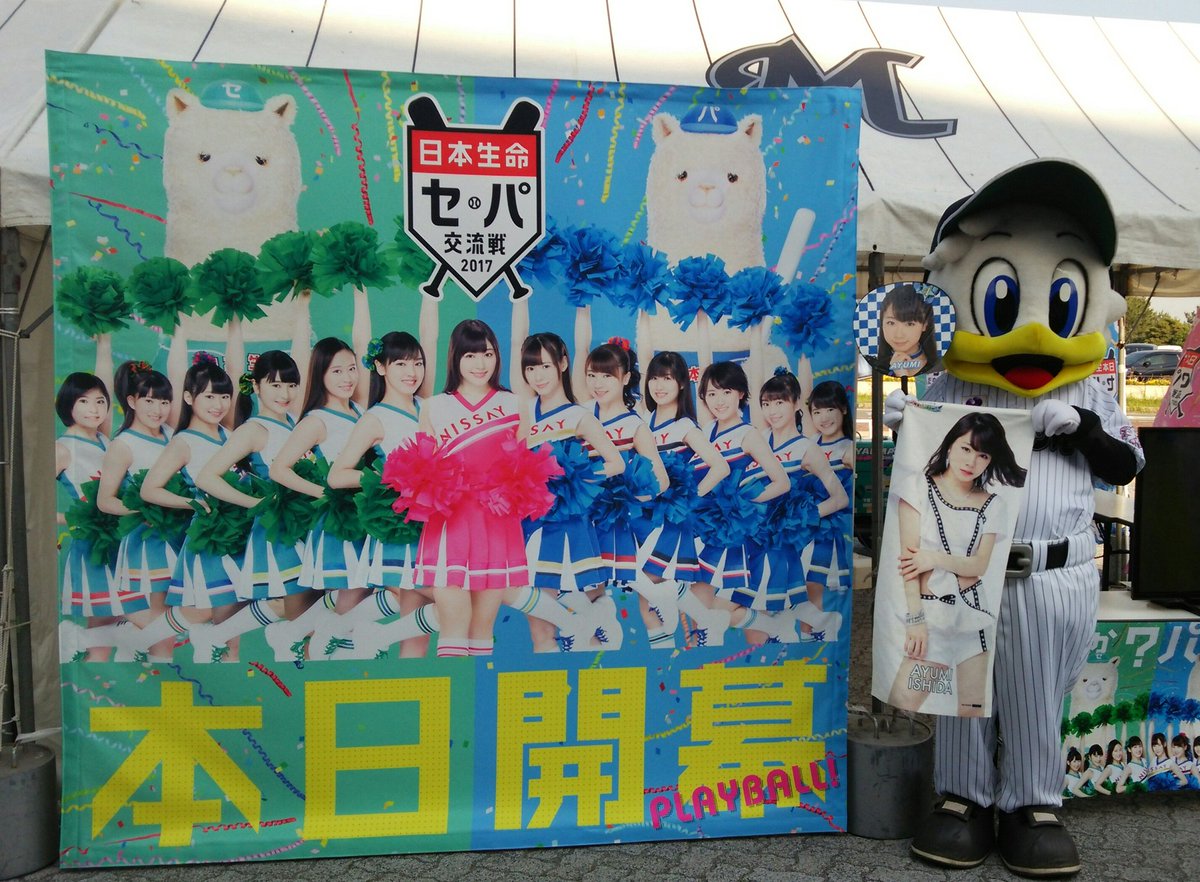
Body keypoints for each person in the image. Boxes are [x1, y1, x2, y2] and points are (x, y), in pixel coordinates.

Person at [889, 411, 1027, 716]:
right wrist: (915, 620)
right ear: (950, 444)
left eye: (983, 455)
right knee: (903, 703)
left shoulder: (993, 504)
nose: (971, 462)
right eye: (966, 448)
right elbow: (908, 563)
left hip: (972, 616)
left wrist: (933, 558)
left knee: (971, 710)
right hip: (930, 614)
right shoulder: (917, 487)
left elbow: (979, 565)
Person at [411, 319, 535, 658]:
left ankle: (480, 691)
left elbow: (524, 469)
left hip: (496, 524)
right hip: (450, 523)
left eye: (488, 354)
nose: (480, 364)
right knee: (453, 622)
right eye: (470, 355)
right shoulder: (434, 406)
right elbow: (424, 470)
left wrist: (505, 490)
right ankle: (450, 692)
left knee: (482, 629)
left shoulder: (514, 404)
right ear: (455, 357)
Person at [191, 350, 305, 663]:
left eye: (291, 385)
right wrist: (256, 502)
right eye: (275, 385)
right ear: (255, 387)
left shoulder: (295, 422)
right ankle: (217, 636)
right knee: (292, 604)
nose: (285, 393)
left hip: (300, 524)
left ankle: (224, 637)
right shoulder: (253, 430)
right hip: (276, 531)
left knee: (306, 606)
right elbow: (206, 477)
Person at [265, 337, 369, 662]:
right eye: (337, 371)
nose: (347, 377)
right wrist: (324, 493)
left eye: (351, 368)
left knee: (358, 599)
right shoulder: (316, 420)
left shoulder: (360, 411)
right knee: (350, 599)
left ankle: (293, 634)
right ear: (321, 374)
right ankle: (307, 646)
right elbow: (279, 469)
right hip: (340, 522)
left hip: (366, 515)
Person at [685, 360, 791, 646]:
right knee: (697, 605)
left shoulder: (748, 434)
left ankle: (770, 629)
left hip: (738, 536)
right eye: (712, 393)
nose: (719, 400)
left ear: (740, 394)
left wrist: (745, 503)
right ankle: (770, 629)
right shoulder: (706, 431)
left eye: (726, 392)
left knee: (717, 609)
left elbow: (782, 482)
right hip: (709, 530)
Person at [741, 366, 847, 643]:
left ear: (797, 403)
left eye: (779, 402)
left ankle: (811, 635)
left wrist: (798, 519)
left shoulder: (807, 449)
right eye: (766, 404)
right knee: (756, 625)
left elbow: (840, 498)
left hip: (784, 544)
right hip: (754, 537)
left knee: (771, 617)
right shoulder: (758, 438)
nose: (772, 411)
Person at [636, 350, 730, 649]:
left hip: (672, 520)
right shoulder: (644, 421)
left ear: (680, 383)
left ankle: (703, 620)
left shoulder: (685, 426)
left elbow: (720, 466)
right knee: (647, 602)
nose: (659, 385)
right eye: (654, 378)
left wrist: (688, 498)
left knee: (647, 581)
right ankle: (676, 643)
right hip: (646, 516)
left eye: (667, 378)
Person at [583, 339, 669, 650]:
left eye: (607, 375)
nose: (598, 383)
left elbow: (661, 480)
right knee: (585, 591)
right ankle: (601, 644)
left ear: (625, 378)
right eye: (592, 375)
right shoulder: (583, 415)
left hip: (618, 520)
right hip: (584, 515)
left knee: (604, 586)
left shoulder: (635, 426)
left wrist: (630, 500)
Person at [92, 362, 177, 660]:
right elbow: (105, 500)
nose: (157, 409)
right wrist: (145, 511)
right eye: (149, 401)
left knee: (175, 617)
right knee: (163, 623)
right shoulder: (123, 444)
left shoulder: (172, 435)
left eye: (164, 401)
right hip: (147, 541)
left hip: (177, 536)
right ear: (132, 401)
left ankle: (123, 634)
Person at [55, 373, 116, 662]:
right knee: (105, 620)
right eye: (84, 401)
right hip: (93, 545)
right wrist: (73, 519)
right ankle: (77, 640)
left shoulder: (105, 439)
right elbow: (29, 500)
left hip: (120, 541)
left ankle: (82, 641)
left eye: (100, 401)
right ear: (69, 404)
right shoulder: (62, 448)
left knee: (110, 626)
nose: (94, 409)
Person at [801, 380, 855, 641]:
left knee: (815, 585)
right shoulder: (809, 443)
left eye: (830, 409)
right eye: (817, 411)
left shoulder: (849, 449)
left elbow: (844, 497)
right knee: (800, 586)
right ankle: (807, 637)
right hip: (803, 527)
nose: (824, 417)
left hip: (829, 529)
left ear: (843, 409)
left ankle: (818, 638)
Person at [876, 283, 936, 377]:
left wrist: (902, 374)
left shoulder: (938, 366)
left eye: (909, 324)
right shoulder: (873, 365)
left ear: (924, 325)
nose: (899, 335)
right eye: (891, 323)